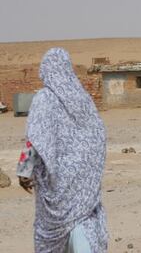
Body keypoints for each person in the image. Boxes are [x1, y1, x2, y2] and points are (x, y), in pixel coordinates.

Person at [16, 48, 108, 253]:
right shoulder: (82, 98)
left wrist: (24, 171)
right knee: (82, 219)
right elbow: (98, 136)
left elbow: (34, 139)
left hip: (55, 184)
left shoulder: (44, 99)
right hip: (81, 183)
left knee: (54, 234)